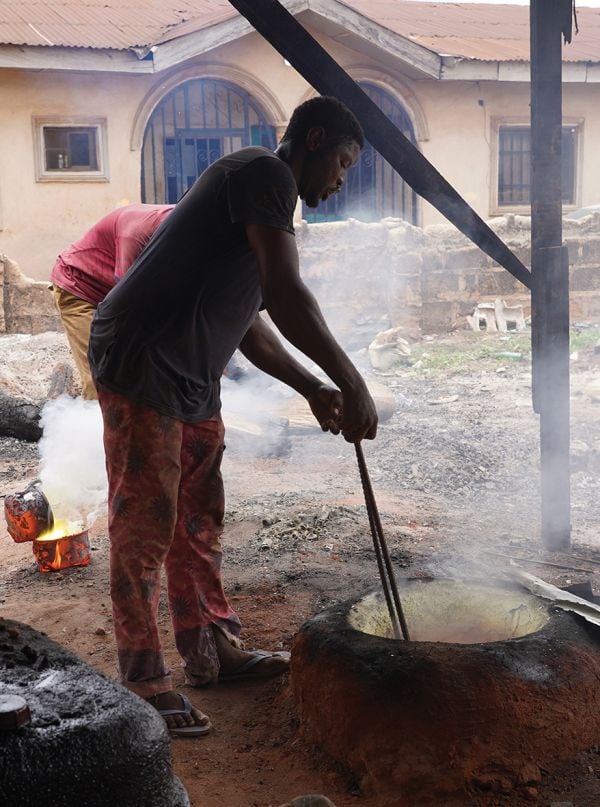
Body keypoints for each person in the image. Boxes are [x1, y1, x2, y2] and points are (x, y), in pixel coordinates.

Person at [88, 96, 378, 737]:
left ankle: (210, 648)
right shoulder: (262, 173)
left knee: (198, 518)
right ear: (316, 138)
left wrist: (311, 386)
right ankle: (144, 681)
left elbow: (251, 319)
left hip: (191, 373)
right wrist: (351, 382)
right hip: (143, 361)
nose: (340, 178)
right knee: (144, 525)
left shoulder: (266, 206)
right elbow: (284, 292)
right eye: (342, 162)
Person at [50, 203, 174, 399]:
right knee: (100, 376)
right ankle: (91, 426)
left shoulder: (189, 221)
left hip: (117, 294)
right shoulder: (136, 233)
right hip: (81, 288)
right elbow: (129, 304)